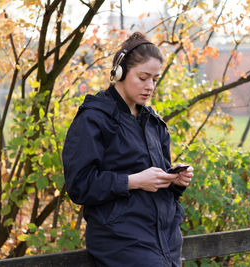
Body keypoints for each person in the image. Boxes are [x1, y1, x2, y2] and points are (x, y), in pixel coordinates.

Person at [62, 32, 194, 267]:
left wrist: (174, 182)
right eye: (143, 78)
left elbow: (155, 186)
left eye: (154, 79)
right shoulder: (94, 119)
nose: (150, 86)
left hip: (166, 245)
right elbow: (79, 186)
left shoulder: (154, 123)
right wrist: (133, 181)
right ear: (119, 73)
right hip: (121, 244)